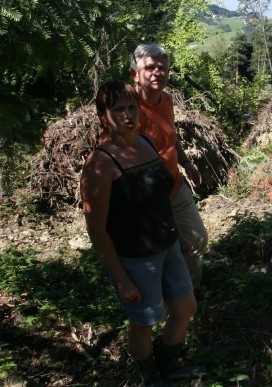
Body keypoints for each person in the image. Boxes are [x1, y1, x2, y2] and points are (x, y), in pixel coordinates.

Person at [81, 82, 202, 386]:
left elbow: (162, 197)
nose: (127, 115)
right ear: (102, 115)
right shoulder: (101, 162)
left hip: (169, 245)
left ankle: (169, 362)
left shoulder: (146, 143)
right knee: (144, 325)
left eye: (131, 107)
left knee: (186, 308)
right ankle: (149, 376)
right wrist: (121, 279)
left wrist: (181, 236)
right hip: (136, 259)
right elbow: (96, 228)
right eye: (117, 109)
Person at [129, 44, 208, 290]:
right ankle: (167, 298)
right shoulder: (128, 109)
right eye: (149, 67)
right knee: (166, 247)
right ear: (135, 74)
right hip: (148, 196)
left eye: (161, 68)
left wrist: (186, 163)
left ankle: (190, 295)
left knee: (197, 238)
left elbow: (170, 137)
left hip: (175, 184)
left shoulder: (167, 100)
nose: (157, 73)